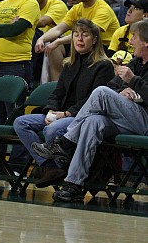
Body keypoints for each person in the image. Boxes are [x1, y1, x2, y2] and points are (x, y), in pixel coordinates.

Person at [33, 18, 148, 203]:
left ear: (146, 42)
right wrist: (121, 92)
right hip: (126, 118)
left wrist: (133, 81)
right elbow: (113, 86)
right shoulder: (134, 63)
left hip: (145, 121)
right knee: (92, 122)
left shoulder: (132, 71)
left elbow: (109, 91)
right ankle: (74, 185)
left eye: (135, 37)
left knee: (101, 92)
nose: (131, 41)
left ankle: (65, 142)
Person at [14, 19, 114, 187]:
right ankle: (50, 166)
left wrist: (66, 114)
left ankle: (62, 168)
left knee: (52, 129)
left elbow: (93, 100)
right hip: (61, 114)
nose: (80, 39)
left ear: (95, 39)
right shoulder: (69, 64)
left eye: (85, 35)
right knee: (21, 123)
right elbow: (57, 92)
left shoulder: (103, 66)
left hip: (81, 117)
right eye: (76, 35)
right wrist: (51, 110)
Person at [35, 0, 120, 55]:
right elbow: (58, 29)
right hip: (84, 44)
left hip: (105, 47)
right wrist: (41, 39)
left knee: (81, 41)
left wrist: (59, 41)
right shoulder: (77, 8)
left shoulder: (103, 9)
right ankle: (59, 72)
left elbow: (89, 33)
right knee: (54, 45)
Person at [25, 0, 67, 81]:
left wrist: (21, 23)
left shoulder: (58, 4)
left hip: (61, 45)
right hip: (36, 47)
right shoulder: (27, 8)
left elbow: (43, 22)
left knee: (37, 36)